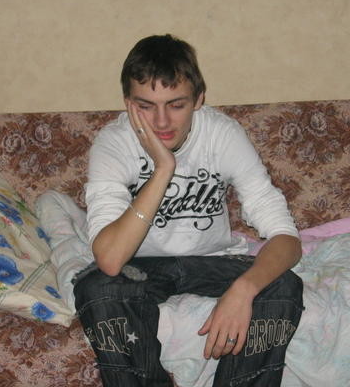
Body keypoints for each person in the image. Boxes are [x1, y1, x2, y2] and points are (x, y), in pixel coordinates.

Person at [73, 34, 304, 387]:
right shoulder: (114, 142)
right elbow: (110, 259)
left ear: (199, 99)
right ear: (128, 104)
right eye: (146, 106)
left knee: (282, 285)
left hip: (213, 261)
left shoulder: (222, 134)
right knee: (98, 289)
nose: (161, 121)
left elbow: (287, 239)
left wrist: (244, 289)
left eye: (176, 105)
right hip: (139, 268)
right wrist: (163, 168)